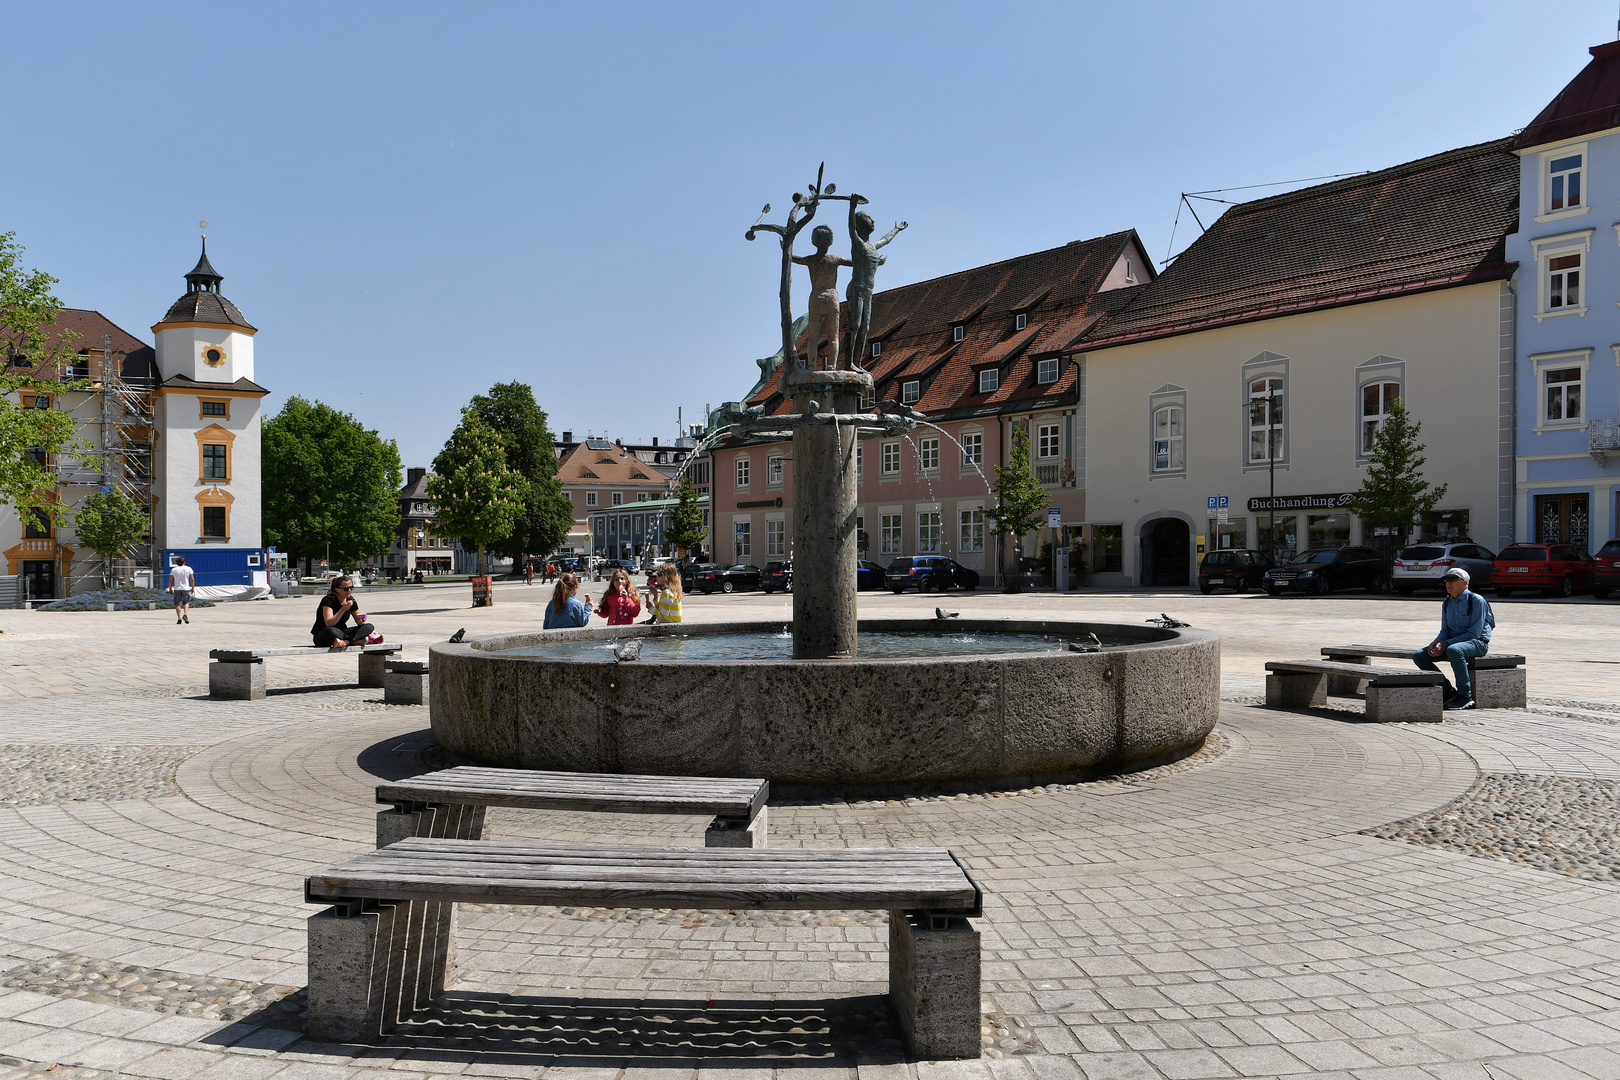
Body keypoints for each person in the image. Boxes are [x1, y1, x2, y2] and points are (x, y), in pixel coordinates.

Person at [1412, 567, 1492, 710]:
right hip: (1453, 643)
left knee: (1454, 651)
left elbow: (1474, 633)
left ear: (1465, 583)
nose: (1449, 583)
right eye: (1447, 580)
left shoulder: (1476, 600)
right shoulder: (1447, 602)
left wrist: (1446, 643)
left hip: (1477, 643)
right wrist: (1436, 642)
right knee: (1420, 656)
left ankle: (1465, 696)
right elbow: (1445, 630)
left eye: (1453, 580)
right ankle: (1447, 691)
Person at [312, 576, 375, 649]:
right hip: (324, 634)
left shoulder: (350, 600)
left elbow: (359, 622)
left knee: (369, 626)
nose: (349, 591)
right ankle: (354, 640)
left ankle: (347, 642)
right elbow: (329, 623)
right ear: (337, 589)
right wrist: (343, 609)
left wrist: (361, 621)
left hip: (342, 632)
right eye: (346, 589)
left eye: (351, 588)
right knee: (331, 630)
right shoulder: (328, 600)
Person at [167, 556, 195, 625]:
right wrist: (193, 587)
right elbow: (192, 579)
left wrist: (170, 588)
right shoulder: (188, 568)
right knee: (186, 602)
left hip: (177, 588)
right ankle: (185, 614)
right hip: (186, 588)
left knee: (177, 603)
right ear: (184, 562)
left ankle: (179, 618)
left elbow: (170, 579)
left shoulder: (174, 569)